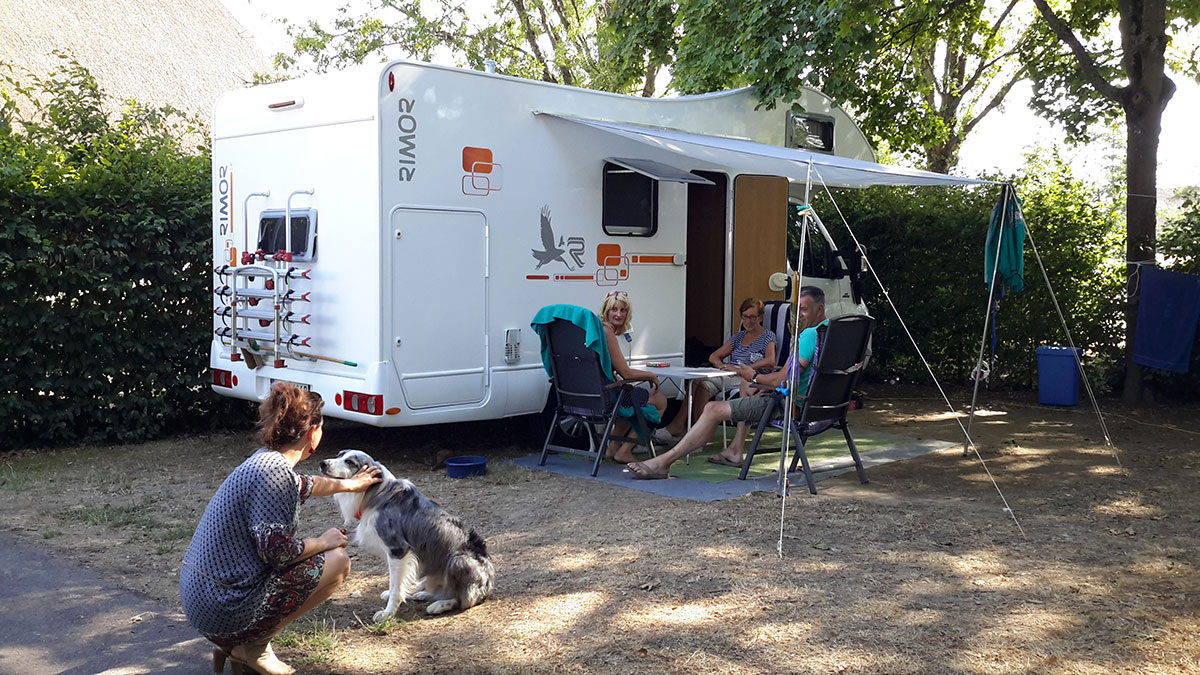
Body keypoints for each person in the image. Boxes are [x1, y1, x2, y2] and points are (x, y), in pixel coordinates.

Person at [180, 383, 382, 675]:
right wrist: (323, 541)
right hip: (222, 606)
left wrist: (353, 483)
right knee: (338, 561)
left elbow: (310, 484)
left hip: (200, 597)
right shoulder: (275, 475)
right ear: (313, 433)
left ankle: (240, 647)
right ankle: (252, 647)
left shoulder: (265, 462)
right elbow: (277, 553)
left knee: (328, 556)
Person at [628, 287, 828, 479]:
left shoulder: (809, 335)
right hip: (818, 406)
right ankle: (734, 449)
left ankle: (663, 463)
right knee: (720, 387)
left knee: (712, 409)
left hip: (788, 405)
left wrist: (754, 377)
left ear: (819, 309)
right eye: (797, 309)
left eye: (803, 309)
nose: (799, 315)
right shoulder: (830, 334)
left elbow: (781, 379)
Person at [653, 298, 776, 459]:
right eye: (745, 316)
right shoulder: (739, 337)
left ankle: (683, 431)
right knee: (700, 382)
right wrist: (721, 366)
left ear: (760, 317)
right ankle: (693, 435)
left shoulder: (768, 336)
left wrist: (744, 369)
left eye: (752, 317)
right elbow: (714, 356)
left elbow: (771, 361)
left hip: (750, 379)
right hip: (729, 376)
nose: (748, 321)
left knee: (700, 382)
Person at [599, 290, 668, 463]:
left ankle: (613, 447)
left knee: (632, 401)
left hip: (596, 393)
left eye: (623, 310)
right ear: (606, 311)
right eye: (614, 310)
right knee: (660, 400)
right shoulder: (608, 333)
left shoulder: (598, 330)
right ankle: (626, 450)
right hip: (610, 397)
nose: (618, 314)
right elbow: (627, 373)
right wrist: (651, 375)